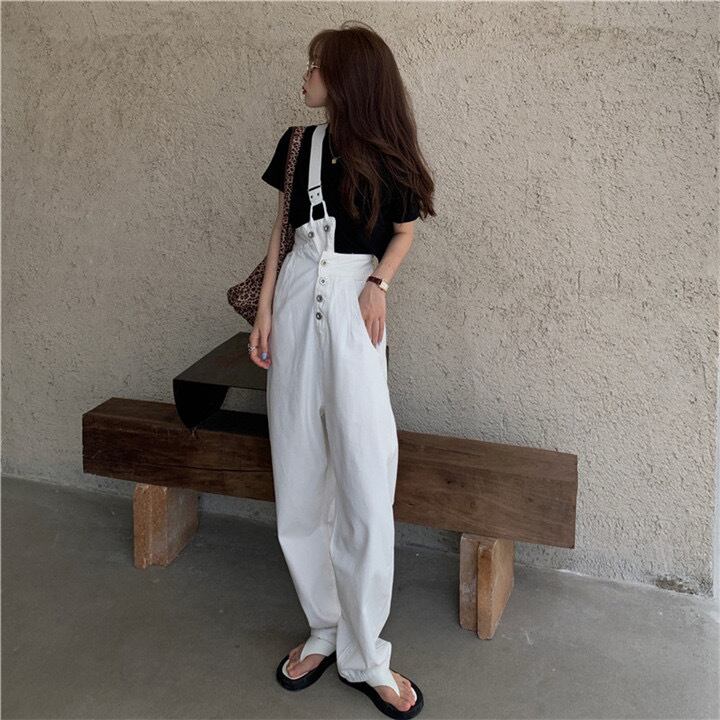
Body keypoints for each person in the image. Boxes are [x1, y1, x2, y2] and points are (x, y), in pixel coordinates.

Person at [247, 21, 434, 720]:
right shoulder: (297, 144)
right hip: (296, 299)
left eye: (315, 66)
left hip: (357, 308)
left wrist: (379, 284)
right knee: (298, 469)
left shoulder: (389, 154)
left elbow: (405, 231)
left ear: (346, 79)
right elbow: (281, 230)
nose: (305, 76)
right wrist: (265, 310)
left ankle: (365, 653)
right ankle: (324, 630)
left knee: (363, 474)